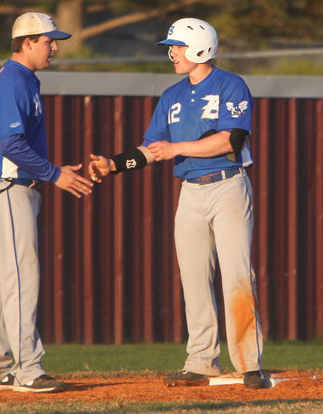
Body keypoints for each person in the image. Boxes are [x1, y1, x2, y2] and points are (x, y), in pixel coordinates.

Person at [89, 18, 269, 389]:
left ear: (201, 48)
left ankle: (249, 363)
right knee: (193, 279)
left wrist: (177, 149)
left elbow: (230, 141)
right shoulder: (171, 95)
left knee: (237, 276)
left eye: (178, 46)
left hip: (227, 186)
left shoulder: (231, 85)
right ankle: (202, 360)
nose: (171, 52)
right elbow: (153, 149)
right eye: (170, 46)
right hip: (190, 190)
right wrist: (114, 164)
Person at [0, 12, 93, 393]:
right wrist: (56, 174)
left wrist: (51, 171)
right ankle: (27, 370)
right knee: (22, 279)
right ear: (27, 42)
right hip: (9, 189)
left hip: (6, 188)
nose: (54, 47)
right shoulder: (13, 80)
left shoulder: (21, 78)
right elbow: (11, 145)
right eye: (48, 40)